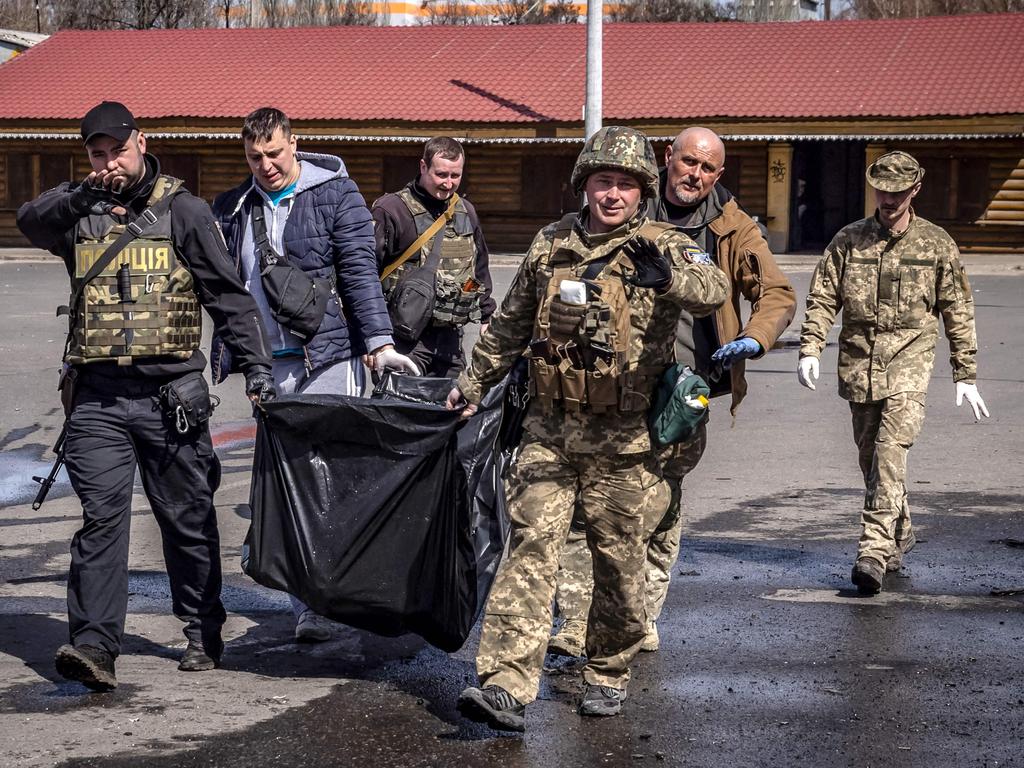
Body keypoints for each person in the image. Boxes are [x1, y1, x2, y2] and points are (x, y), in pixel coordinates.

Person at [448, 126, 730, 731]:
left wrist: (670, 277)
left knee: (617, 561)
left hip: (627, 444)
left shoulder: (664, 244)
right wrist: (471, 385)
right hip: (549, 430)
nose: (613, 195)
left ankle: (606, 671)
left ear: (641, 191)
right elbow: (510, 322)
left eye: (626, 185)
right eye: (604, 181)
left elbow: (714, 290)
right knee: (529, 550)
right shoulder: (551, 244)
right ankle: (505, 684)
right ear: (585, 184)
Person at [16, 101, 276, 691]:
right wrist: (79, 196)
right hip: (98, 399)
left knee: (185, 518)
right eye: (98, 154)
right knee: (100, 521)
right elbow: (30, 220)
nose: (109, 162)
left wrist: (257, 370)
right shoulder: (78, 214)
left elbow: (228, 297)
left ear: (141, 142)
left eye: (117, 150)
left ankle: (201, 627)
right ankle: (94, 645)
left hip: (170, 396)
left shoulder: (184, 211)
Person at [548, 126, 797, 657]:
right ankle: (574, 620)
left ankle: (640, 616)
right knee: (585, 500)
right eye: (688, 162)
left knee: (659, 501)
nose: (695, 175)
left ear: (718, 175)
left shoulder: (734, 229)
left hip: (682, 391)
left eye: (708, 168)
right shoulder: (633, 201)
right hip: (608, 381)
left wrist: (755, 337)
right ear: (669, 158)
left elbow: (774, 291)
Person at [211, 107, 418, 642]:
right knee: (288, 486)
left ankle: (342, 592)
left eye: (275, 153)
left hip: (327, 360)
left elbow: (358, 272)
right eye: (255, 157)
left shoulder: (336, 194)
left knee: (334, 480)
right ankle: (309, 601)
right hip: (267, 371)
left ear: (294, 144)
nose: (266, 166)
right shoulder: (234, 205)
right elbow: (223, 287)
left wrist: (379, 343)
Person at [797, 150, 990, 595]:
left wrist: (966, 372)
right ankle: (899, 531)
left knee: (889, 450)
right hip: (859, 362)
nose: (888, 199)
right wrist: (810, 347)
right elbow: (824, 296)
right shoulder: (849, 240)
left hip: (910, 359)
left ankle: (873, 549)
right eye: (882, 190)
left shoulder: (936, 243)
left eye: (897, 191)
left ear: (914, 190)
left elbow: (957, 309)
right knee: (872, 460)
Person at [372, 136, 495, 377]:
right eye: (441, 175)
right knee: (400, 411)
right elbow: (364, 276)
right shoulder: (391, 210)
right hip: (402, 339)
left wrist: (487, 316)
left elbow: (479, 269)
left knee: (453, 412)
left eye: (455, 176)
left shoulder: (466, 211)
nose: (448, 184)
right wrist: (374, 339)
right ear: (423, 167)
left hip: (450, 342)